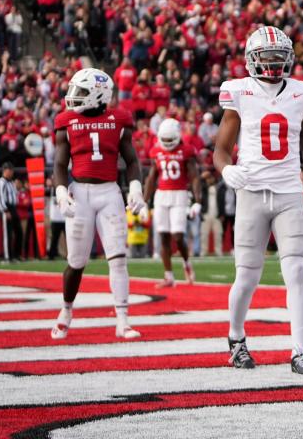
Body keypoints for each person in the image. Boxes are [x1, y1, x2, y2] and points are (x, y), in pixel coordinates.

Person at [213, 25, 303, 376]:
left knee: (296, 270)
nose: (271, 64)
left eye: (278, 58)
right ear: (252, 60)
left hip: (288, 194)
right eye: (265, 58)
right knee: (247, 276)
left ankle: (299, 352)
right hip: (251, 192)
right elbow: (221, 149)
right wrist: (225, 171)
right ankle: (236, 339)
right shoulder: (238, 92)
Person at [51, 68, 145, 341]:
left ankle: (123, 321)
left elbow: (131, 160)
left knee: (118, 258)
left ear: (97, 93)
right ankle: (66, 311)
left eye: (80, 91)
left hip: (109, 193)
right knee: (76, 261)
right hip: (79, 192)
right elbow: (59, 162)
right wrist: (59, 189)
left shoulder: (119, 119)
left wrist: (136, 187)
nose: (73, 96)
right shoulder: (66, 120)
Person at [143, 118, 200, 287]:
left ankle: (186, 263)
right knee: (163, 236)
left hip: (179, 194)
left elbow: (194, 176)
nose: (167, 143)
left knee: (178, 235)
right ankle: (169, 276)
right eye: (165, 139)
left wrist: (197, 201)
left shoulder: (186, 150)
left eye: (170, 139)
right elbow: (152, 178)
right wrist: (145, 201)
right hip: (161, 195)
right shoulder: (156, 151)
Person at [0, 162, 21, 260]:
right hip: (7, 208)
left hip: (13, 208)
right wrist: (5, 211)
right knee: (8, 234)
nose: (12, 172)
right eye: (10, 170)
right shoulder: (0, 182)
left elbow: (14, 195)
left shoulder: (11, 182)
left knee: (18, 232)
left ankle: (16, 254)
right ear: (5, 171)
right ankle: (8, 256)